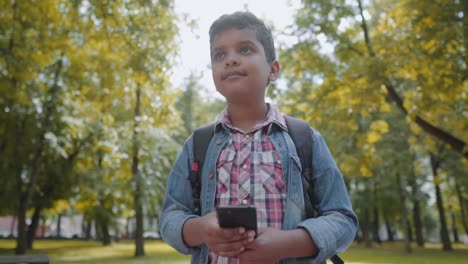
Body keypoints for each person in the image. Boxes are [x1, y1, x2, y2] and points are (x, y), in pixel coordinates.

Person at [160, 11, 358, 264]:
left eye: (244, 49)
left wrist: (290, 243)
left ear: (272, 70)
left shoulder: (304, 139)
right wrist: (200, 229)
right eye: (220, 54)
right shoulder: (198, 144)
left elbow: (342, 217)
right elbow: (171, 217)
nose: (230, 60)